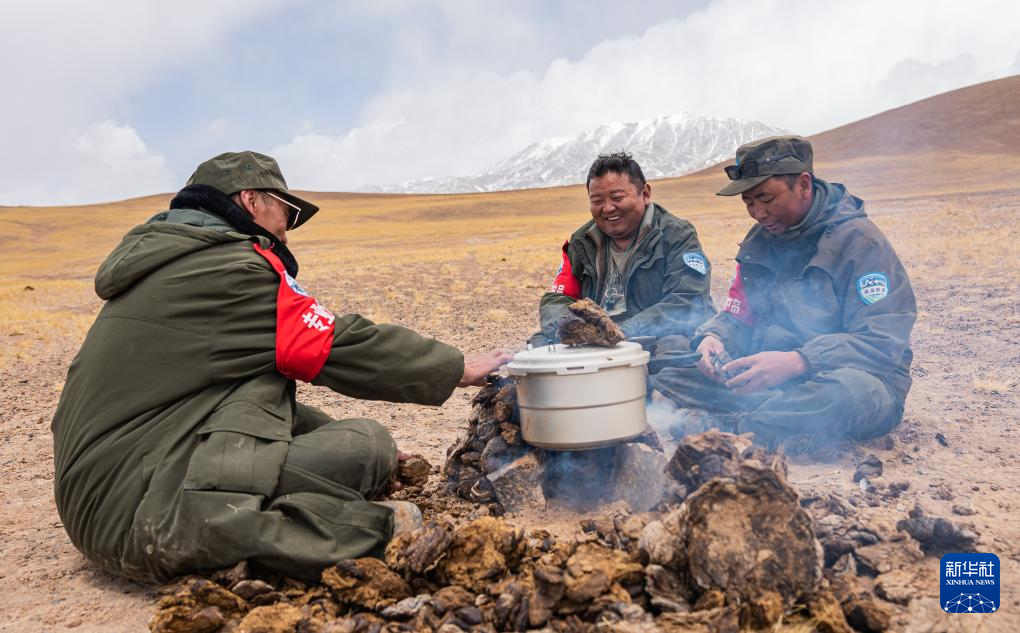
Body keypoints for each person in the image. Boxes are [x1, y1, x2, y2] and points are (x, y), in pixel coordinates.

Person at [51, 151, 510, 583]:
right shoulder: (229, 271)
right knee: (367, 447)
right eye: (285, 213)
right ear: (251, 199)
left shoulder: (173, 266)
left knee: (349, 441)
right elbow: (336, 343)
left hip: (109, 485)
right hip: (139, 512)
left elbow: (247, 396)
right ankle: (370, 533)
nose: (288, 230)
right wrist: (455, 367)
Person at [650, 136, 916, 450]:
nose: (757, 212)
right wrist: (713, 339)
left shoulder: (860, 243)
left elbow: (881, 341)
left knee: (845, 394)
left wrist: (799, 361)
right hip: (769, 378)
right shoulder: (760, 241)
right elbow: (738, 314)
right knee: (674, 363)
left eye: (765, 198)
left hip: (849, 380)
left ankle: (733, 428)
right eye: (748, 202)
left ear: (803, 184)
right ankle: (776, 420)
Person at [534, 152, 715, 359]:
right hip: (598, 341)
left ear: (645, 194)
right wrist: (574, 327)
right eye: (597, 200)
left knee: (674, 348)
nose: (608, 208)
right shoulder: (581, 242)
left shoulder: (676, 235)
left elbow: (688, 301)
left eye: (617, 198)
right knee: (540, 345)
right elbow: (558, 297)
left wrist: (620, 331)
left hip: (650, 335)